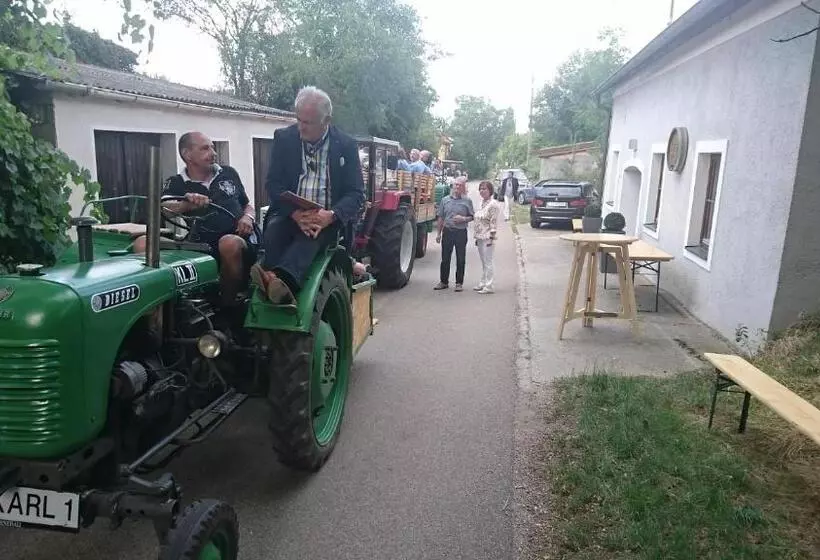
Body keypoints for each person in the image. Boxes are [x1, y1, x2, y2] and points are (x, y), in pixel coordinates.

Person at [251, 86, 365, 304]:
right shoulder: (284, 138)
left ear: (326, 120)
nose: (300, 127)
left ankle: (283, 281)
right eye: (298, 119)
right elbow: (273, 184)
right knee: (274, 231)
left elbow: (356, 193)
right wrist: (294, 214)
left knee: (311, 236)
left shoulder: (346, 145)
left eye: (308, 123)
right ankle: (271, 278)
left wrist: (330, 216)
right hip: (290, 213)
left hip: (327, 219)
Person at [133, 131, 256, 306]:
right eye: (205, 148)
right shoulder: (176, 182)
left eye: (213, 147)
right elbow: (165, 207)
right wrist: (188, 204)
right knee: (143, 243)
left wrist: (248, 218)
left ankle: (227, 310)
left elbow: (247, 205)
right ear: (187, 155)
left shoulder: (228, 173)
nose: (213, 153)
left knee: (228, 243)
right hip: (200, 244)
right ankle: (158, 308)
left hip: (240, 239)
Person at [434, 176, 474, 292]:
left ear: (463, 188)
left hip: (461, 232)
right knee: (445, 258)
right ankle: (443, 281)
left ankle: (459, 283)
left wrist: (463, 219)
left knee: (460, 258)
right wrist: (438, 233)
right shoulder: (445, 200)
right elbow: (441, 217)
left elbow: (472, 217)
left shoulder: (467, 201)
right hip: (448, 231)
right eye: (456, 185)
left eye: (460, 185)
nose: (457, 187)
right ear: (452, 186)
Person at [473, 180, 501, 294]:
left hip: (487, 237)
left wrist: (491, 238)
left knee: (488, 262)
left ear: (490, 190)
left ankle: (489, 286)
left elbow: (493, 223)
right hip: (480, 237)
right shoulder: (483, 203)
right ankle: (483, 282)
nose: (482, 191)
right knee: (483, 262)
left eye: (484, 189)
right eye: (480, 189)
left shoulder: (493, 204)